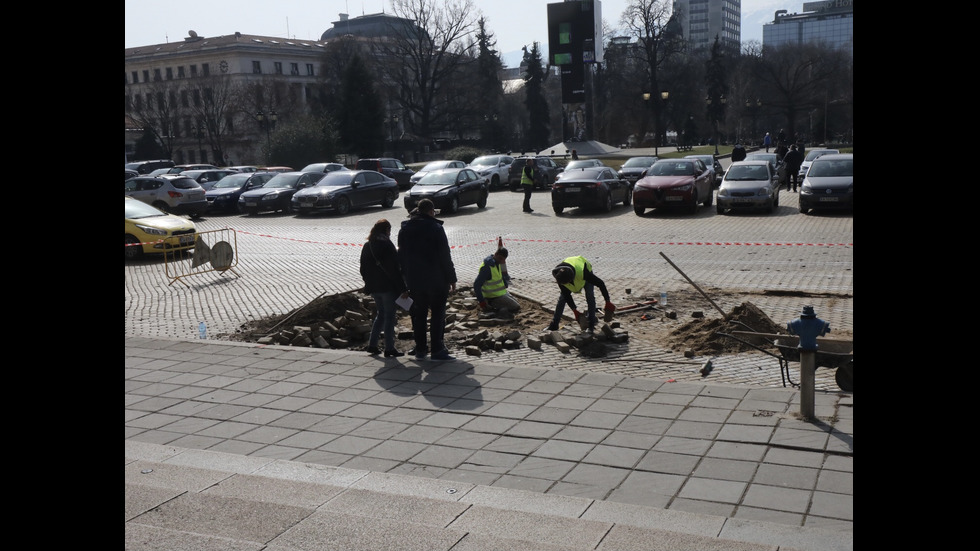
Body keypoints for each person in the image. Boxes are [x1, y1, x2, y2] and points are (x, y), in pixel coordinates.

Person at [397, 198, 458, 361]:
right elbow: (445, 256)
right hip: (437, 280)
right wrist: (452, 278)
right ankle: (437, 349)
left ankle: (420, 349)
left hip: (414, 282)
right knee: (438, 314)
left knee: (418, 315)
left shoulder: (405, 229)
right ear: (431, 211)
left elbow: (401, 257)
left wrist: (404, 280)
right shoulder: (436, 228)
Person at [359, 219, 409, 357]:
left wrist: (368, 282)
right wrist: (403, 288)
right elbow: (394, 270)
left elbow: (362, 268)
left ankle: (372, 345)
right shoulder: (387, 245)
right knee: (389, 317)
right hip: (387, 287)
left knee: (380, 315)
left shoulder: (367, 245)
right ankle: (389, 348)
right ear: (387, 230)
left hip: (374, 288)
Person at [547, 256, 614, 332]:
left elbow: (601, 283)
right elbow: (567, 295)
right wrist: (574, 310)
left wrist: (607, 301)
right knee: (562, 299)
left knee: (590, 297)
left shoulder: (584, 273)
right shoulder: (559, 276)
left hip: (584, 270)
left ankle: (591, 325)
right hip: (570, 271)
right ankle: (554, 325)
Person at [473, 247, 520, 318]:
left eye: (503, 259)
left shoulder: (496, 263)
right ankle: (493, 308)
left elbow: (499, 276)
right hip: (492, 296)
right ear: (495, 254)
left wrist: (504, 282)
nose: (501, 261)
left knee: (516, 302)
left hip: (499, 294)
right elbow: (476, 285)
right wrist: (481, 301)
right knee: (515, 307)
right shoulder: (487, 267)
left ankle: (496, 306)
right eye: (500, 258)